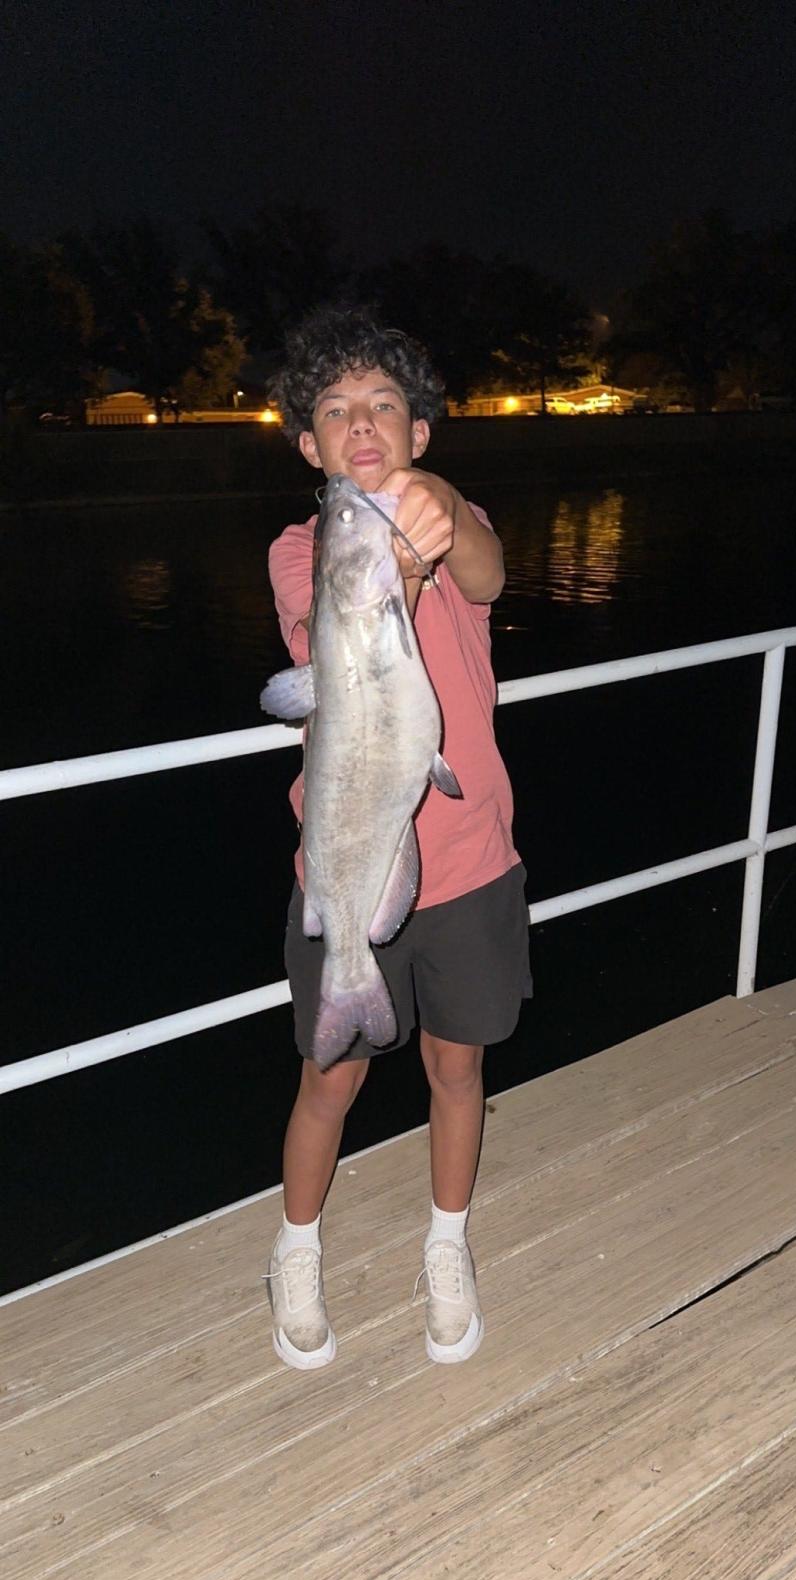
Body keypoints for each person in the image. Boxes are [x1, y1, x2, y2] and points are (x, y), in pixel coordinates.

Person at [265, 305, 531, 1371]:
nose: (360, 422)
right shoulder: (302, 551)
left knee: (455, 1068)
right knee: (329, 1076)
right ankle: (292, 1250)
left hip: (471, 865)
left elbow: (487, 572)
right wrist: (385, 550)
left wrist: (443, 513)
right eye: (335, 411)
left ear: (421, 430)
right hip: (342, 861)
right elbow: (340, 619)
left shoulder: (453, 515)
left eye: (383, 406)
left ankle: (448, 1246)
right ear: (309, 448)